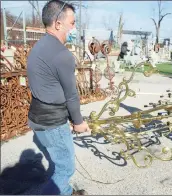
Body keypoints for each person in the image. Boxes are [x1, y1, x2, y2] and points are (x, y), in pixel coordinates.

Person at [27, 0, 90, 194]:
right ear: (58, 24)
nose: (74, 27)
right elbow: (71, 95)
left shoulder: (38, 47)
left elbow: (49, 86)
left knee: (58, 161)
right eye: (72, 23)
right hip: (52, 122)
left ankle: (67, 191)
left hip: (37, 117)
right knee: (65, 168)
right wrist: (78, 122)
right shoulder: (62, 54)